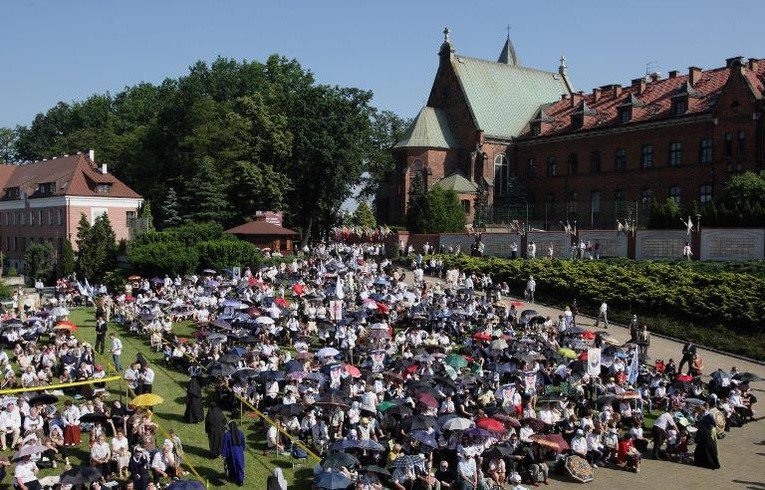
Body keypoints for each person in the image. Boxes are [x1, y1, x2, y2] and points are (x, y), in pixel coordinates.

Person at [222, 421, 246, 486]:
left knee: (231, 465)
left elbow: (224, 445)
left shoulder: (227, 434)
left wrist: (223, 454)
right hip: (239, 452)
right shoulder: (240, 433)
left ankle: (232, 477)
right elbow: (243, 442)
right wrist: (243, 449)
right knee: (240, 465)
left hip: (231, 452)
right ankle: (240, 480)